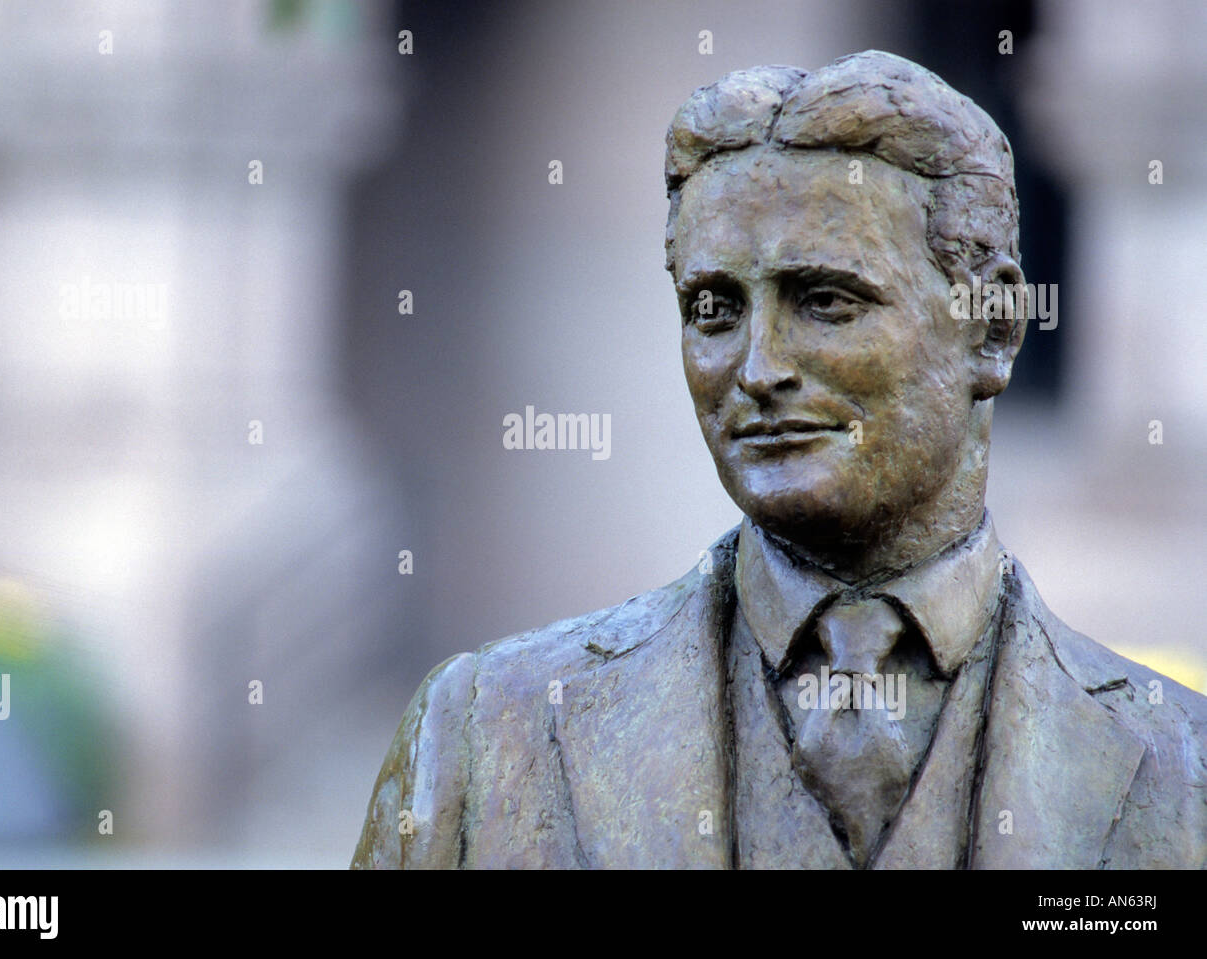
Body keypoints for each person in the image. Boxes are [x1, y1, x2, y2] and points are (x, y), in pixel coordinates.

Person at [351, 50, 1207, 869]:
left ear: (993, 328)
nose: (759, 370)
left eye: (826, 301)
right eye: (714, 309)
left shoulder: (1185, 771)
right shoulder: (481, 735)